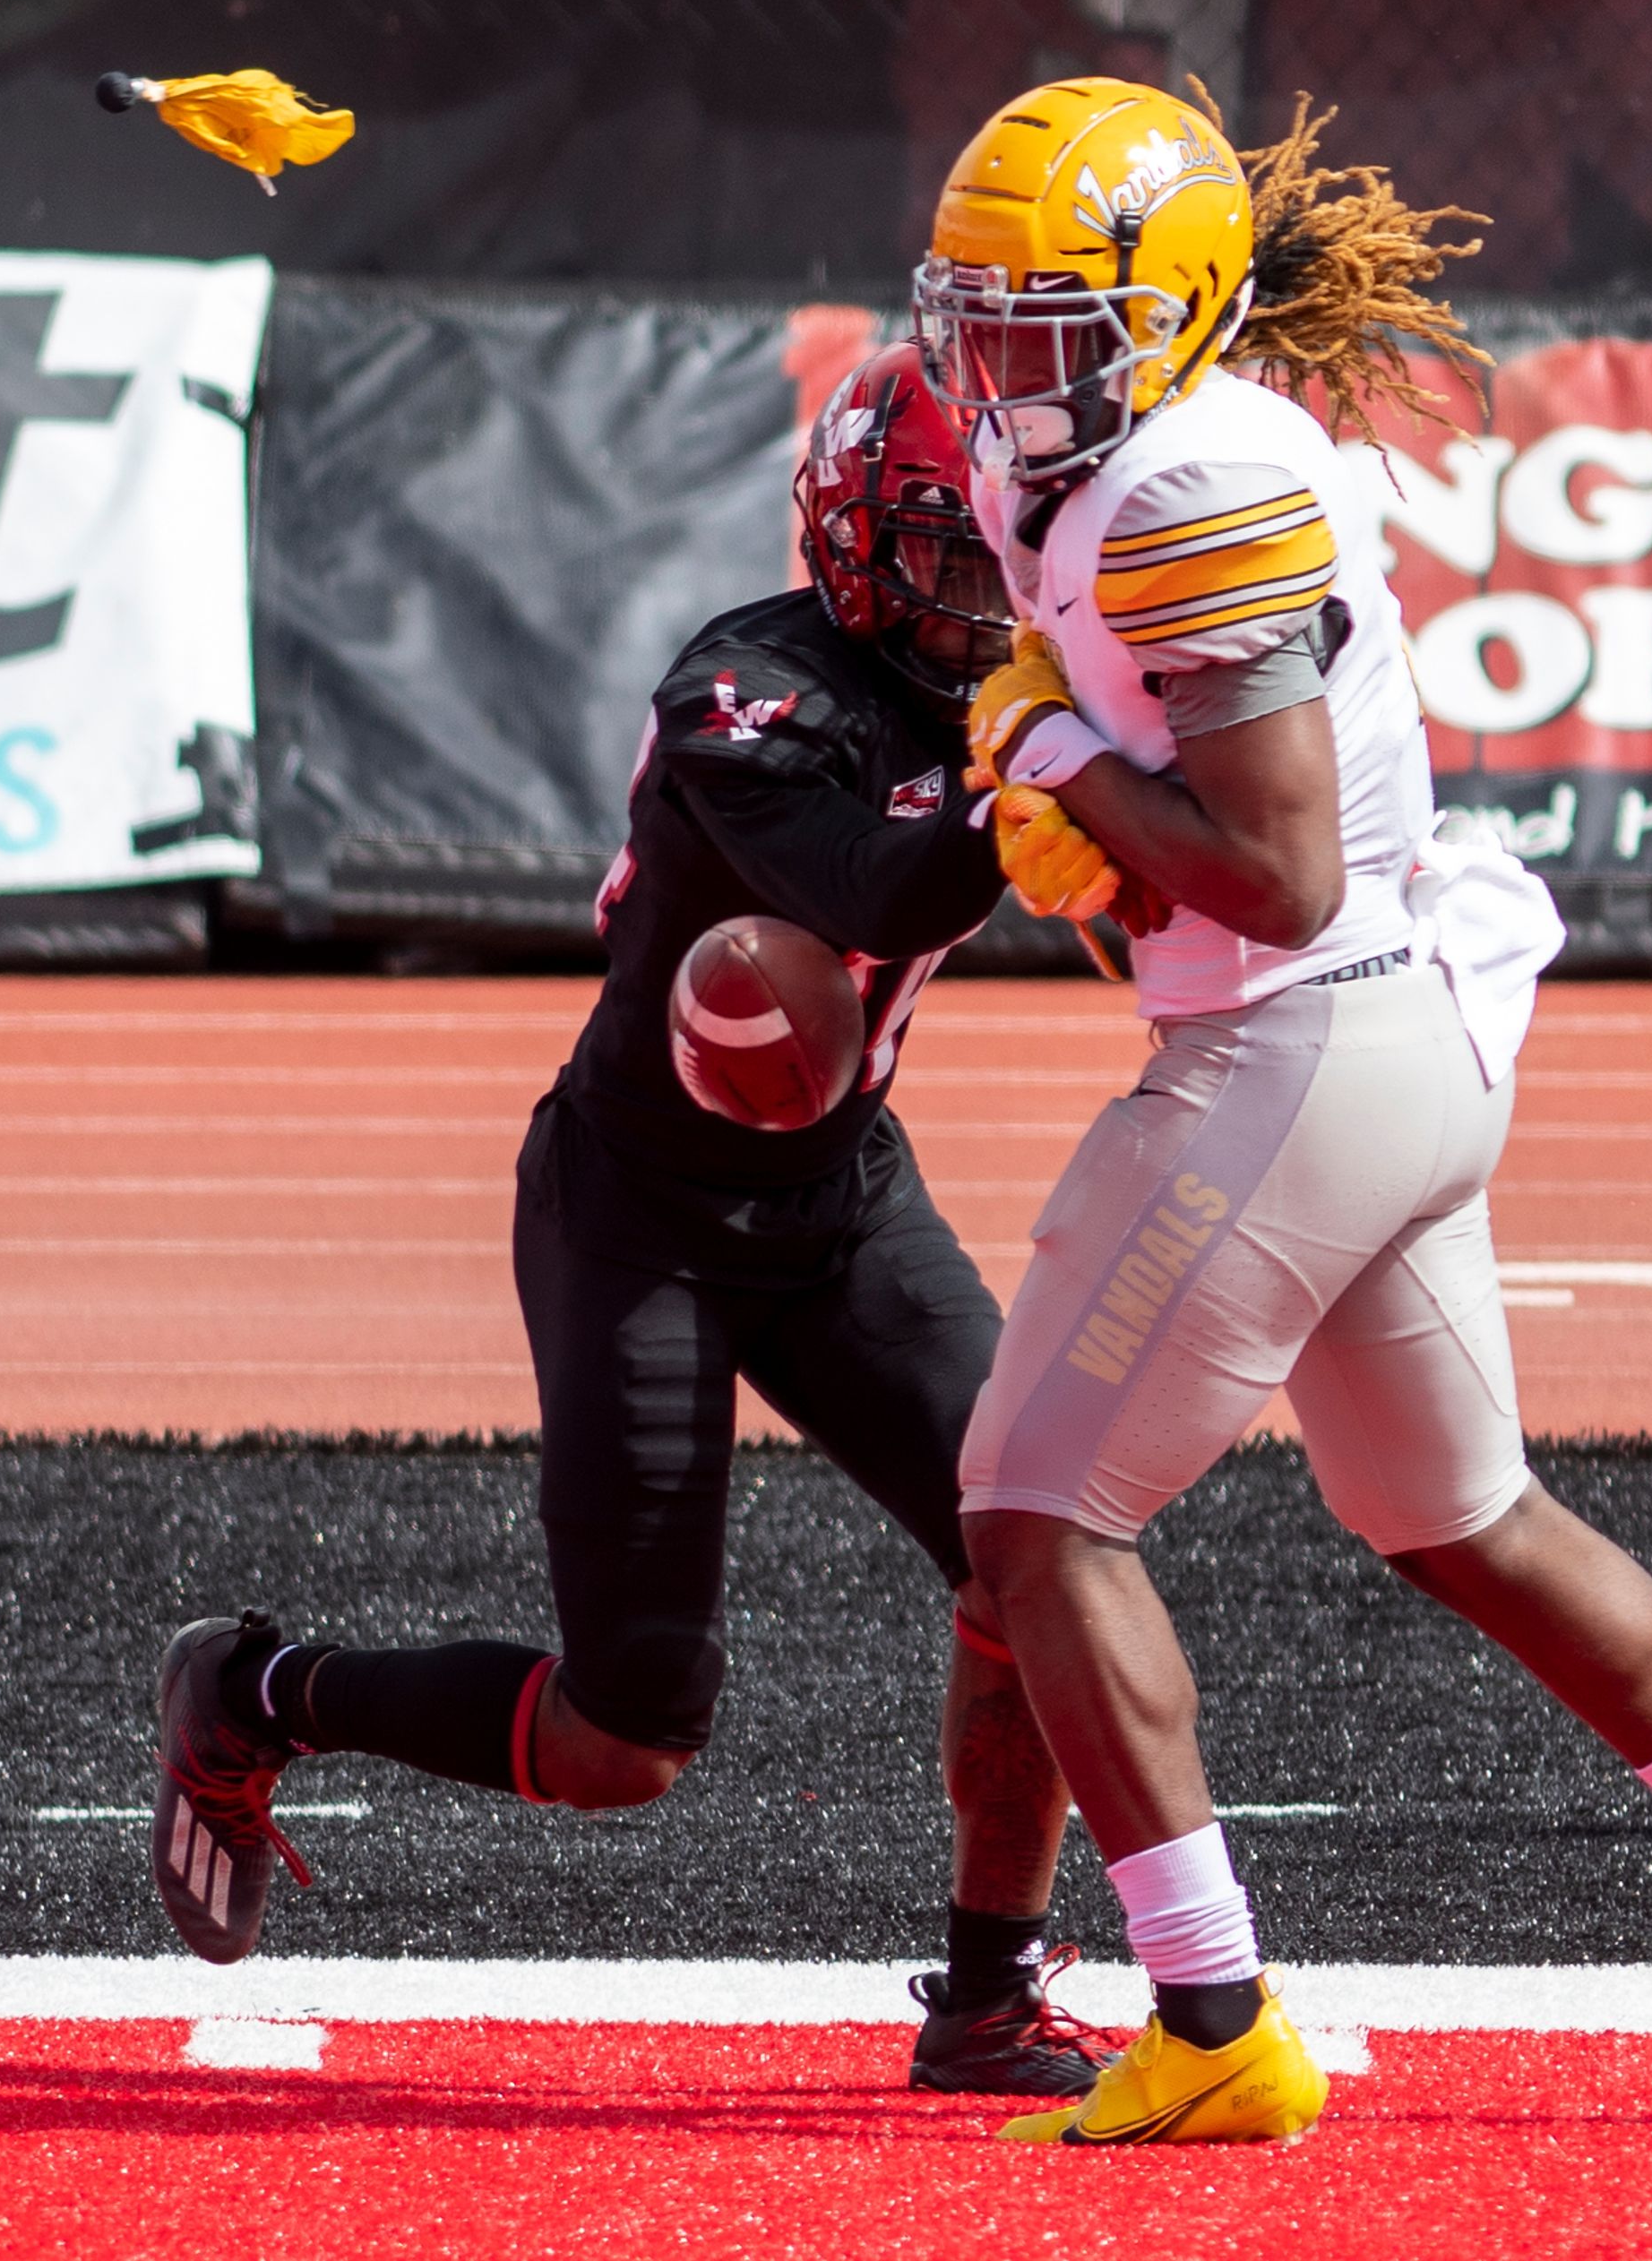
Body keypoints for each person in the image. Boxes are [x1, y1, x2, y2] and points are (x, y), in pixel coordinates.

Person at [910, 77, 1652, 2148]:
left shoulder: (1193, 479)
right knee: (1457, 1516)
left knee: (1039, 1520)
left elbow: (1277, 870)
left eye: (1041, 325)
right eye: (979, 319)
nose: (994, 370)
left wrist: (1059, 765)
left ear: (1163, 310)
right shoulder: (1156, 442)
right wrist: (1098, 824)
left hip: (1299, 1035)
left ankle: (1210, 2018)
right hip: (1371, 1036)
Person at [144, 343, 1138, 2093]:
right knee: (625, 1740)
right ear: (849, 537)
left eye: (1006, 552)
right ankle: (258, 1686)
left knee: (1033, 1549)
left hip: (841, 1210)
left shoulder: (1015, 681)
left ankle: (988, 1994)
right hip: (642, 1219)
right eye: (948, 553)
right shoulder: (746, 703)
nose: (985, 601)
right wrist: (1055, 759)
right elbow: (884, 881)